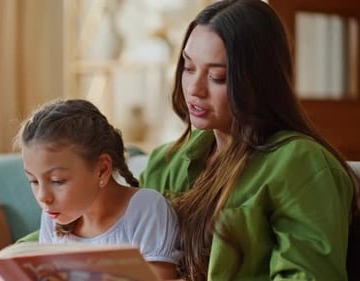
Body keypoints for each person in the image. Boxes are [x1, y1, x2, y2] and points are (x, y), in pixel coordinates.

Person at [139, 0, 360, 280]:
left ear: (258, 81)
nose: (194, 88)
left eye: (217, 76)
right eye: (188, 67)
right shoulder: (164, 164)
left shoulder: (300, 164)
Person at [16, 98, 181, 280]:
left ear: (102, 170)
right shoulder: (53, 218)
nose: (43, 197)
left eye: (57, 181)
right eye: (33, 181)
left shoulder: (145, 209)